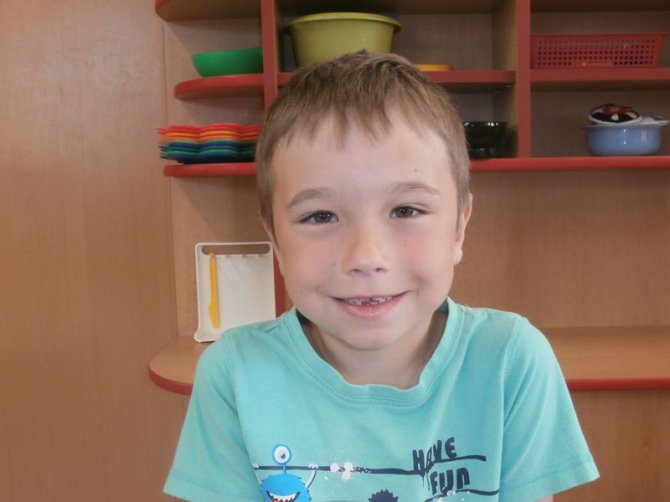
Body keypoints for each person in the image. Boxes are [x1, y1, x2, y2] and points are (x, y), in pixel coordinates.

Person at [164, 51, 599, 502]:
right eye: (320, 216)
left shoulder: (510, 359)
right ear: (275, 239)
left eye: (405, 210)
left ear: (459, 226)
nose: (366, 257)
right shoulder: (235, 374)